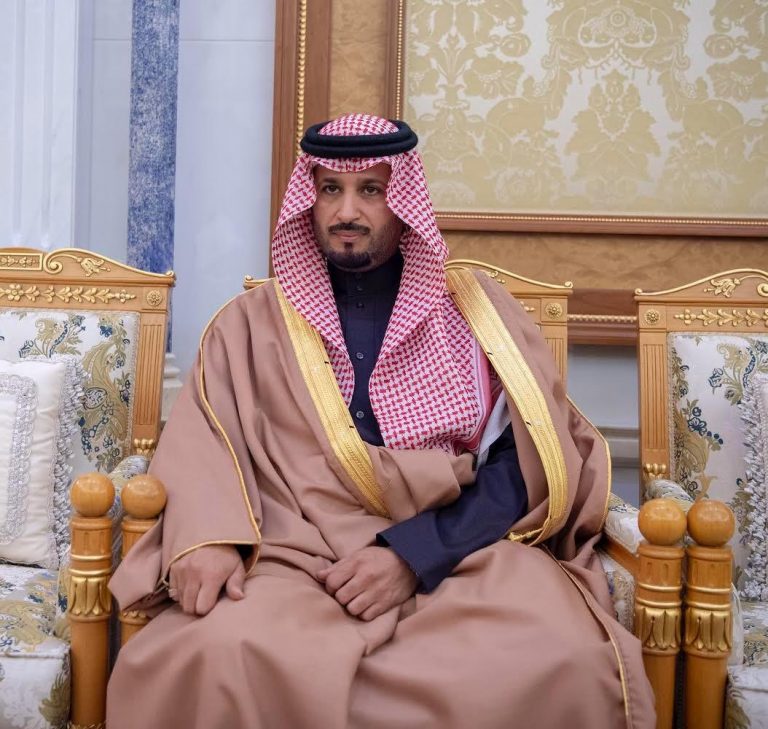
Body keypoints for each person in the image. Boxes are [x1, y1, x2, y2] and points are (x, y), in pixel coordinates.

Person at [106, 113, 655, 728]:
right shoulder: (249, 324)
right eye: (330, 189)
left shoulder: (477, 313)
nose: (347, 211)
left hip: (460, 547)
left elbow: (526, 463)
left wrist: (412, 555)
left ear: (404, 201)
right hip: (295, 550)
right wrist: (206, 538)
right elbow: (204, 440)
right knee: (214, 650)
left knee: (566, 656)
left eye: (371, 189)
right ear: (308, 199)